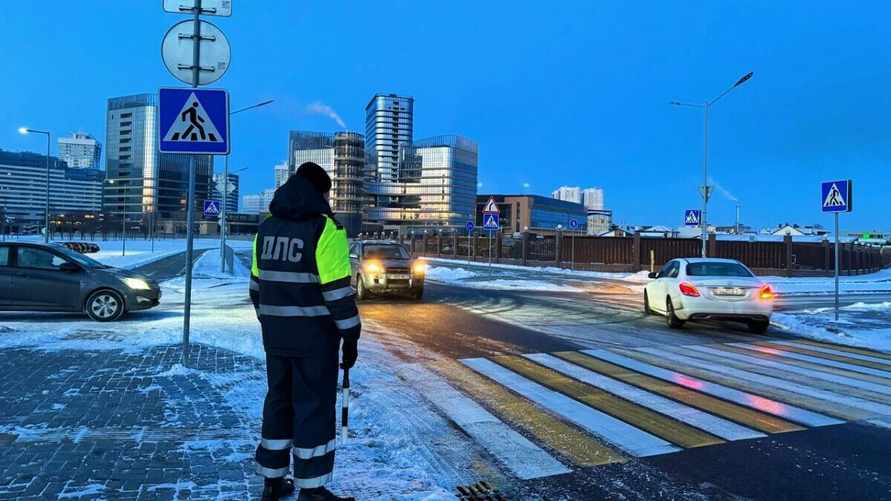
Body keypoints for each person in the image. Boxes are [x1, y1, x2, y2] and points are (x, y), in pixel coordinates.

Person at [250, 162, 360, 501]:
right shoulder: (326, 230)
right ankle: (311, 490)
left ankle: (272, 482)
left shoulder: (266, 229)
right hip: (315, 341)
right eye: (327, 194)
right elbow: (337, 293)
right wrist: (351, 335)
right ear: (320, 193)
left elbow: (256, 287)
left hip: (276, 339)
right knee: (313, 407)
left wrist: (273, 323)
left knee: (278, 402)